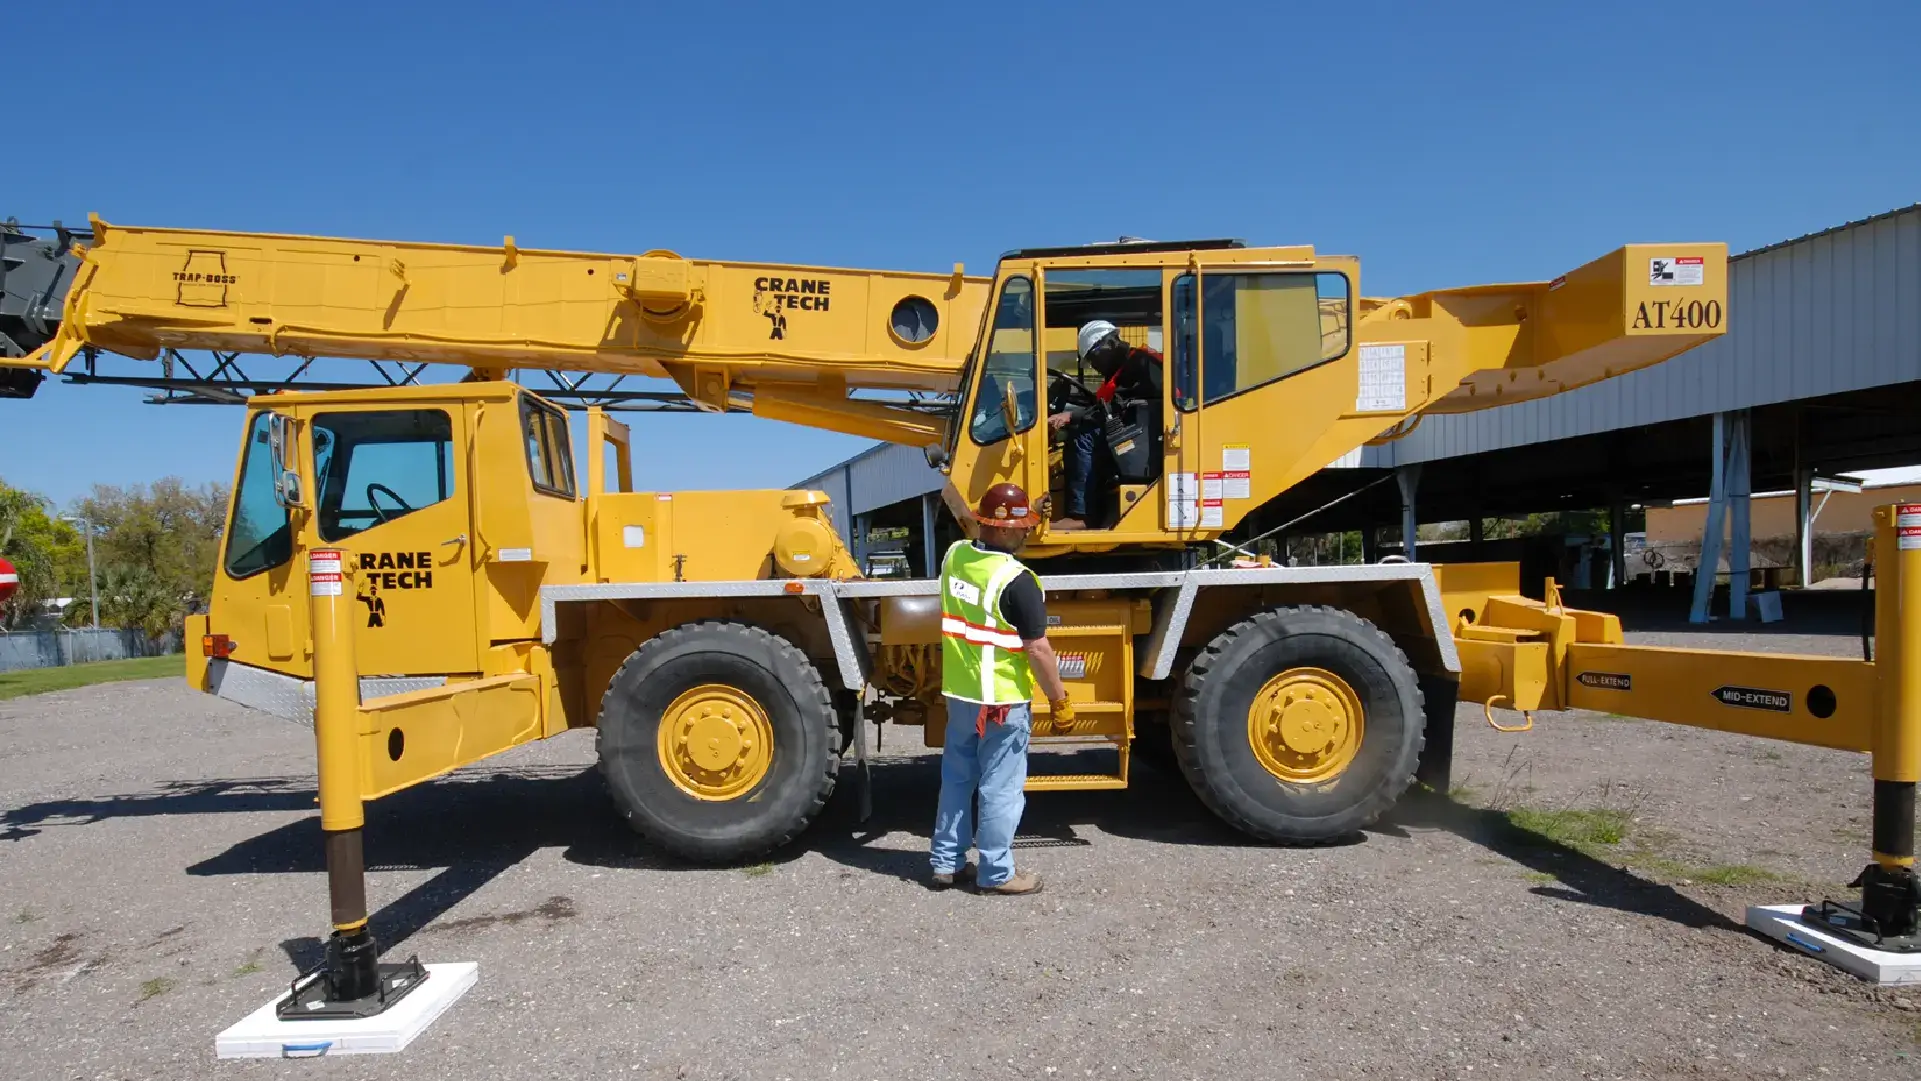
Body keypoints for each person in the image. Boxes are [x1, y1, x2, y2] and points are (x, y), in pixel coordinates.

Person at [930, 482, 1074, 895]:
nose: (1028, 533)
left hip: (960, 695)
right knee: (1000, 788)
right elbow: (1039, 649)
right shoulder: (1018, 581)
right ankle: (997, 874)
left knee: (957, 780)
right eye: (1024, 526)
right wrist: (1059, 699)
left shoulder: (955, 556)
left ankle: (946, 864)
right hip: (1001, 703)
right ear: (1005, 530)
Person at [1051, 321, 1166, 526]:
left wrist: (1072, 417)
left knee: (1083, 436)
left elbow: (1118, 405)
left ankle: (1080, 515)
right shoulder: (1121, 370)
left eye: (1093, 356)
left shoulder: (1141, 363)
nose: (1093, 365)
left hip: (1143, 438)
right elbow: (1108, 404)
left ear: (1111, 342)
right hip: (1131, 431)